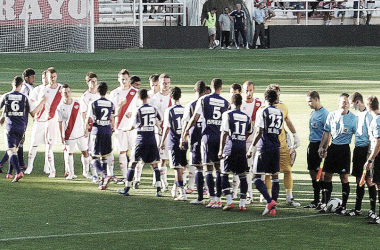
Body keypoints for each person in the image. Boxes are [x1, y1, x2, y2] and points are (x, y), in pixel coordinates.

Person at [182, 78, 230, 208]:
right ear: (221, 87)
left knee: (207, 168)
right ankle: (219, 200)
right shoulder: (226, 102)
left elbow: (195, 118)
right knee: (219, 169)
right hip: (220, 138)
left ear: (212, 86)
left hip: (207, 138)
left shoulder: (204, 100)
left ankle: (212, 199)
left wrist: (186, 131)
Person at [117, 89, 163, 197]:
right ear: (147, 97)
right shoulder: (153, 109)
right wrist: (158, 127)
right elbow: (159, 118)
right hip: (152, 139)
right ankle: (159, 189)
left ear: (138, 97)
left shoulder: (137, 110)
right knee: (155, 164)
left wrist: (124, 129)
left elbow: (132, 126)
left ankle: (126, 188)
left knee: (132, 163)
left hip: (140, 139)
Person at [0, 76, 45, 182]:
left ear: (12, 84)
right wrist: (42, 103)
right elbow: (33, 112)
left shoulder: (6, 96)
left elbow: (3, 107)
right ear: (21, 85)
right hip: (21, 128)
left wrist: (2, 117)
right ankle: (10, 173)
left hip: (10, 127)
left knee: (11, 151)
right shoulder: (25, 97)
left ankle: (18, 171)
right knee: (14, 150)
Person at [318, 93, 357, 214]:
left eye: (347, 102)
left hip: (344, 149)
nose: (345, 104)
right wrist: (322, 147)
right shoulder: (332, 115)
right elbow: (326, 132)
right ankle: (325, 203)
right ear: (338, 102)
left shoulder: (354, 118)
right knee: (327, 176)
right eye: (343, 101)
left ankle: (343, 206)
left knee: (344, 177)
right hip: (333, 148)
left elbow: (358, 135)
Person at [247, 89, 282, 216]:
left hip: (264, 147)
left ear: (265, 98)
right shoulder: (279, 112)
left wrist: (251, 147)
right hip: (276, 146)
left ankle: (269, 201)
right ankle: (273, 209)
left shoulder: (263, 111)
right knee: (275, 176)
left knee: (255, 176)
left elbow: (259, 131)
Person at [265, 84, 301, 208]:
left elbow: (287, 121)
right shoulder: (265, 108)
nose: (278, 97)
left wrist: (294, 135)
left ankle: (289, 197)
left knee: (287, 170)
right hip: (269, 144)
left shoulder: (283, 107)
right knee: (269, 172)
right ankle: (267, 196)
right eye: (275, 94)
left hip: (282, 144)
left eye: (279, 94)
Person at [25, 67, 62, 178]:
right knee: (34, 142)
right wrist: (34, 112)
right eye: (45, 77)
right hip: (40, 119)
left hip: (51, 120)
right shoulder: (39, 89)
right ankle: (30, 166)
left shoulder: (59, 88)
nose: (46, 79)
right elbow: (32, 102)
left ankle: (47, 167)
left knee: (49, 144)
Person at [219, 93, 252, 211]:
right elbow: (250, 130)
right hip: (241, 148)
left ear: (231, 103)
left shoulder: (227, 114)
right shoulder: (246, 116)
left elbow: (224, 132)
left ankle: (229, 201)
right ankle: (242, 204)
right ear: (241, 103)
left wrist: (221, 149)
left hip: (230, 147)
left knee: (224, 174)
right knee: (243, 176)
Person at [0, 68, 35, 172]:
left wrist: (3, 115)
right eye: (32, 77)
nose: (34, 79)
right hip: (20, 119)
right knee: (16, 144)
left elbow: (8, 103)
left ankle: (20, 163)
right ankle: (3, 164)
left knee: (17, 143)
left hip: (15, 119)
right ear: (26, 78)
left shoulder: (9, 94)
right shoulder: (25, 89)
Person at [345, 92, 372, 216]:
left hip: (365, 150)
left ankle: (372, 210)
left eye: (351, 103)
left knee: (368, 180)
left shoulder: (368, 115)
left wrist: (369, 154)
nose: (350, 106)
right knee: (358, 179)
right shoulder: (358, 115)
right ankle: (357, 209)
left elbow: (372, 136)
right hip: (357, 149)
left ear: (357, 102)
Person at [159, 87, 188, 201]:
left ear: (170, 97)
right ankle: (176, 187)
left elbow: (166, 127)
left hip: (174, 141)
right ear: (180, 96)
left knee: (177, 168)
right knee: (181, 166)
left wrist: (162, 142)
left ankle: (182, 193)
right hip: (184, 141)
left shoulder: (169, 110)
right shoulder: (185, 109)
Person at [57, 84, 91, 180]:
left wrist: (86, 128)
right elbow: (60, 122)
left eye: (68, 92)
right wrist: (61, 136)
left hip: (80, 133)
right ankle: (71, 173)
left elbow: (83, 115)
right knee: (69, 154)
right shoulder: (60, 107)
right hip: (69, 134)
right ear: (61, 94)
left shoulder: (77, 103)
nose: (67, 94)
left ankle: (86, 172)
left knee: (85, 152)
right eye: (65, 92)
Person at [86, 81, 115, 190]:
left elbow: (89, 119)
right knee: (104, 156)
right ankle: (103, 183)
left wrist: (85, 128)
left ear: (97, 91)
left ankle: (104, 175)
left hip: (97, 130)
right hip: (107, 131)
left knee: (92, 156)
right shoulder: (111, 103)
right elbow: (112, 118)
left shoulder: (93, 103)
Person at [181, 81, 207, 199]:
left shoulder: (190, 105)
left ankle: (196, 192)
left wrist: (183, 136)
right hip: (208, 137)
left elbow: (186, 122)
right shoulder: (208, 103)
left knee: (197, 166)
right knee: (210, 165)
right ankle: (210, 192)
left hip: (195, 138)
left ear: (194, 90)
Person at [304, 91, 329, 209]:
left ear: (316, 99)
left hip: (320, 146)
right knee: (312, 172)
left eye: (310, 101)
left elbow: (327, 133)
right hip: (312, 145)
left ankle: (324, 201)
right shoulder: (312, 113)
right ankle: (316, 200)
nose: (308, 104)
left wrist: (324, 148)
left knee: (321, 174)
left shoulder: (325, 114)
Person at [240, 81, 264, 204]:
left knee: (261, 168)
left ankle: (263, 194)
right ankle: (249, 194)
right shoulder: (240, 105)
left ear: (254, 89)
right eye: (246, 90)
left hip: (259, 141)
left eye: (250, 90)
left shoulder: (260, 103)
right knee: (247, 169)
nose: (248, 93)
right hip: (246, 141)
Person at [150, 73, 172, 191]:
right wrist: (158, 127)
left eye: (168, 83)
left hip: (170, 130)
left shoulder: (172, 97)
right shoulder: (155, 98)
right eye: (164, 83)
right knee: (159, 157)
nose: (166, 85)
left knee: (165, 158)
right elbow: (153, 116)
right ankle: (162, 181)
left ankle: (159, 180)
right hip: (159, 131)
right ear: (159, 83)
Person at [109, 69, 132, 181]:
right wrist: (120, 106)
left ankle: (135, 177)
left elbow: (139, 109)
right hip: (120, 126)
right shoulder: (114, 93)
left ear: (129, 79)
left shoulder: (135, 93)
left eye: (126, 79)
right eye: (122, 79)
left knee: (134, 152)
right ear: (118, 79)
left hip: (133, 127)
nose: (124, 81)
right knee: (122, 152)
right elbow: (111, 112)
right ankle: (125, 177)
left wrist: (132, 113)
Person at [80, 72, 100, 180]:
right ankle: (86, 171)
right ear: (87, 82)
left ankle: (95, 171)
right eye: (92, 81)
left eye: (95, 81)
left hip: (97, 124)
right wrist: (85, 126)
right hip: (89, 124)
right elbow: (83, 112)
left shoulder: (98, 94)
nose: (94, 83)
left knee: (95, 149)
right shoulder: (85, 96)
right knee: (86, 149)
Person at [364, 95, 380, 224]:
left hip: (378, 156)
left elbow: (378, 143)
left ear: (369, 106)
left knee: (378, 185)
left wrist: (370, 160)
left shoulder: (376, 121)